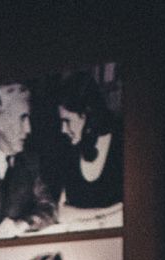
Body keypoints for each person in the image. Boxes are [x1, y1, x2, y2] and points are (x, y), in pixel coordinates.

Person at [0, 83, 56, 241]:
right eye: (22, 118)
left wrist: (22, 224)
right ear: (0, 122)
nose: (28, 129)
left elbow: (49, 209)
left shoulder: (31, 163)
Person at [52, 71, 122, 212]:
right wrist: (105, 214)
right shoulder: (67, 149)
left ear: (87, 115)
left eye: (67, 121)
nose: (63, 130)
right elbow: (62, 212)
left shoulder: (122, 142)